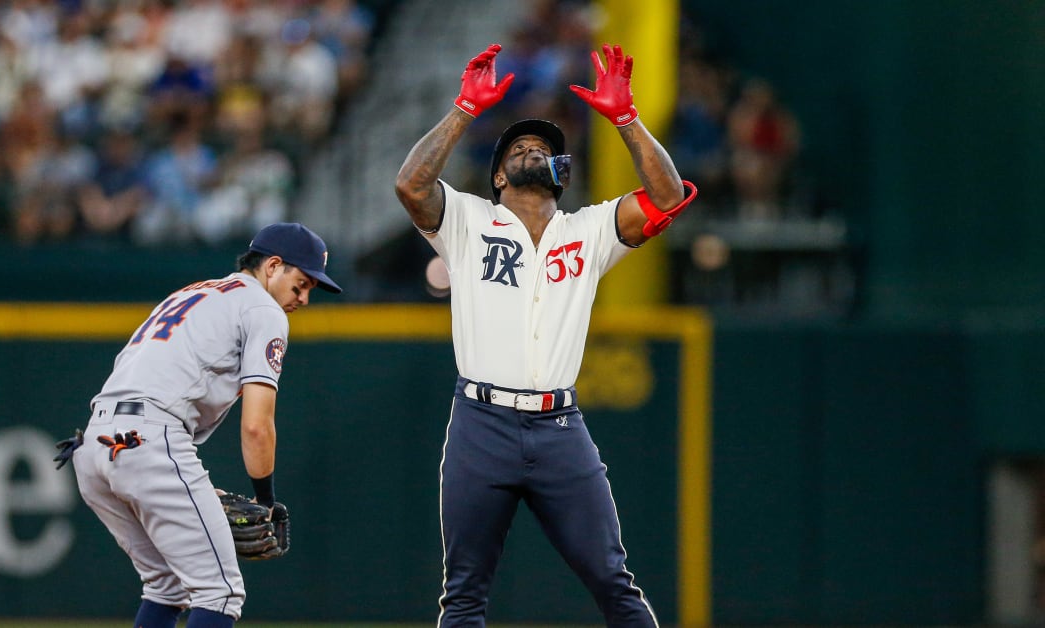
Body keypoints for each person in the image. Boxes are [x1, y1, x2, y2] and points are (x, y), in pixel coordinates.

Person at [394, 43, 697, 627]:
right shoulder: (467, 220)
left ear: (562, 171)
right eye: (519, 147)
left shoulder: (588, 230)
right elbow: (410, 186)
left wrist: (626, 120)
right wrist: (463, 108)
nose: (534, 148)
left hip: (560, 429)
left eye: (546, 148)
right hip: (481, 423)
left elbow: (667, 197)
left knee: (614, 581)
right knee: (463, 595)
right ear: (500, 174)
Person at [64, 222, 341, 628]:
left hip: (93, 443)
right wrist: (266, 500)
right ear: (273, 266)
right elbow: (256, 427)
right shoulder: (263, 310)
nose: (303, 297)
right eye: (300, 284)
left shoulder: (194, 291)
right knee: (220, 592)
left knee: (165, 587)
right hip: (150, 438)